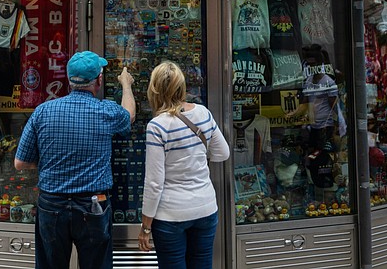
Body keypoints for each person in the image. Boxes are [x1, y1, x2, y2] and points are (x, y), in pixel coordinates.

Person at [14, 51, 135, 269]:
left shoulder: (43, 111)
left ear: (68, 81)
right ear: (98, 81)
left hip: (52, 204)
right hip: (93, 205)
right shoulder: (106, 111)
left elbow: (20, 163)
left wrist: (51, 163)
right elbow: (129, 115)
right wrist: (126, 84)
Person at [138, 61, 230, 268]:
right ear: (182, 86)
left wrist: (145, 226)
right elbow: (222, 153)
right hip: (205, 208)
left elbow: (154, 182)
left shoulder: (157, 126)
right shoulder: (203, 113)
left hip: (171, 215)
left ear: (155, 90)